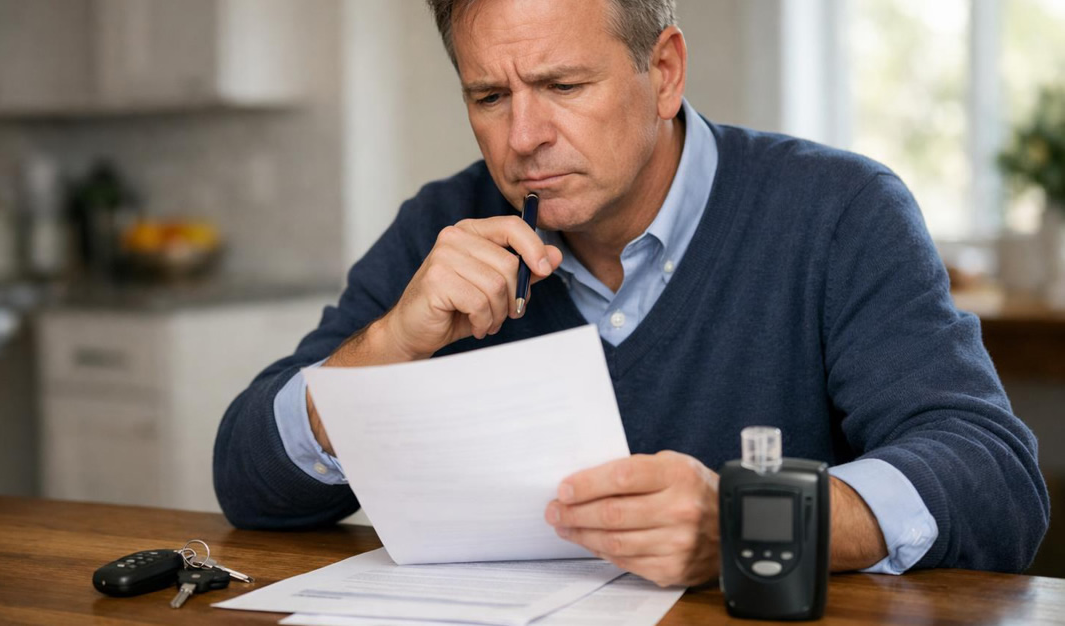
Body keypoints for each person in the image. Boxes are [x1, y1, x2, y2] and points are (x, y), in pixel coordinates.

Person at [213, 0, 1048, 587]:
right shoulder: (444, 222)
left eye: (564, 86)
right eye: (489, 97)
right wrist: (391, 344)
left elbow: (996, 484)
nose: (525, 138)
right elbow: (248, 483)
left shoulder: (840, 211)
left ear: (665, 72)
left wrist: (748, 522)